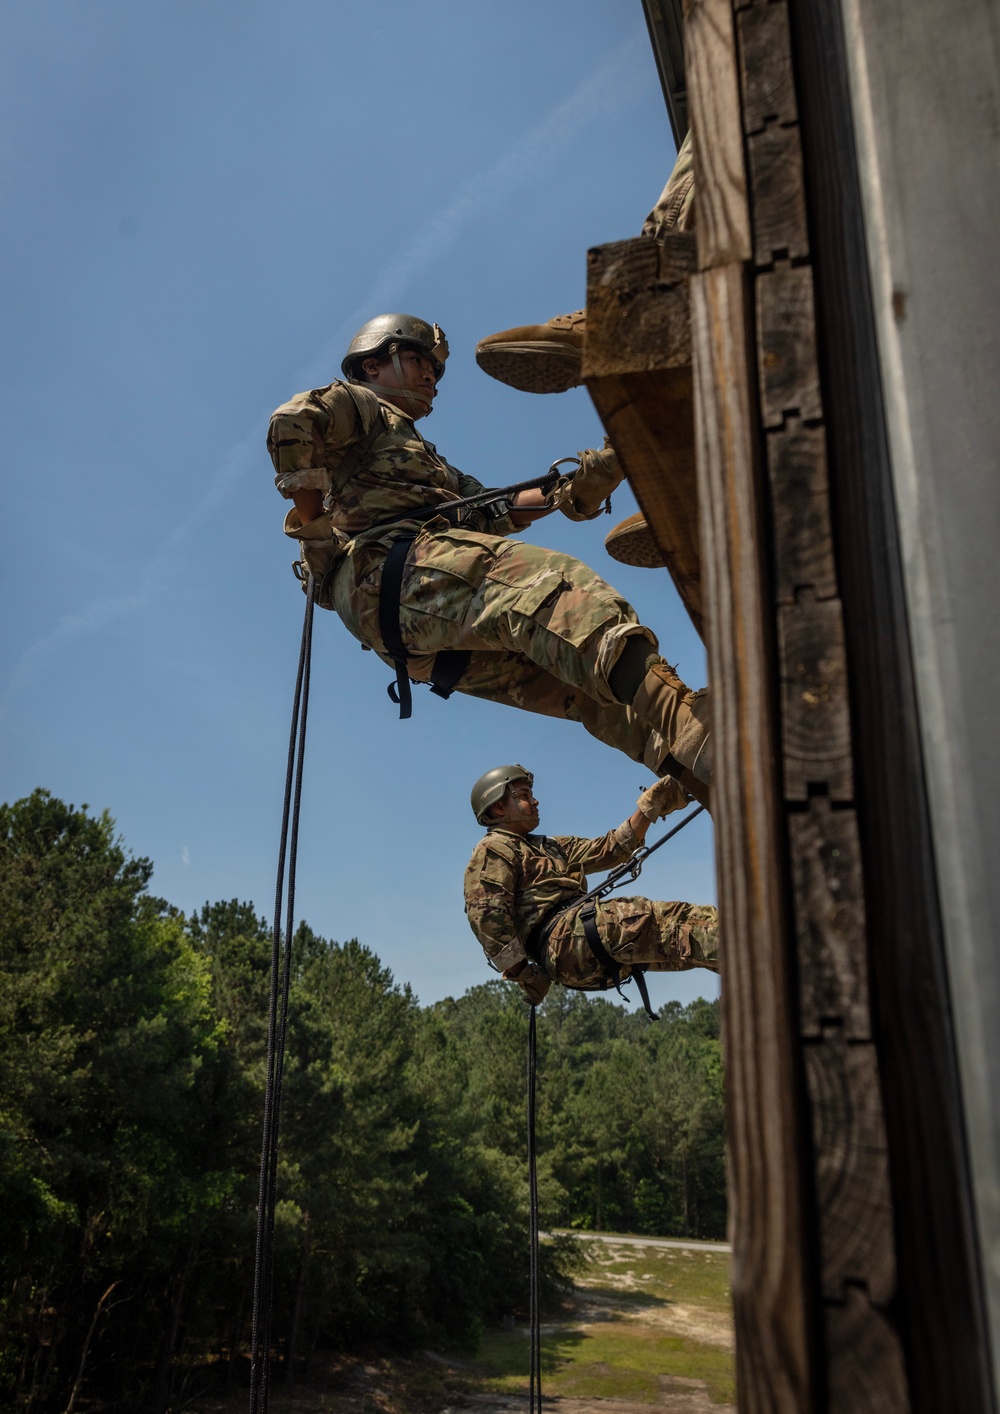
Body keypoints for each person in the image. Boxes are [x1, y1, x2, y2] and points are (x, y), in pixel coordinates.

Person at [267, 307, 710, 797]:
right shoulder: (359, 406)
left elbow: (499, 512)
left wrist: (590, 475)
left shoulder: (432, 464)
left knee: (579, 681)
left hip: (416, 618)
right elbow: (293, 421)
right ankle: (695, 725)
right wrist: (317, 535)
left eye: (434, 370)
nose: (432, 376)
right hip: (388, 572)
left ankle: (701, 772)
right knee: (555, 590)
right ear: (374, 364)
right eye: (420, 363)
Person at [464, 764, 718, 1007]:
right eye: (524, 795)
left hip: (578, 943)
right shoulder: (494, 848)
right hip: (565, 940)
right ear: (499, 808)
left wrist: (651, 805)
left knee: (687, 941)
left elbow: (611, 848)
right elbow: (487, 915)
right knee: (666, 921)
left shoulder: (551, 847)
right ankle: (749, 941)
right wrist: (523, 974)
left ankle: (747, 959)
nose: (535, 801)